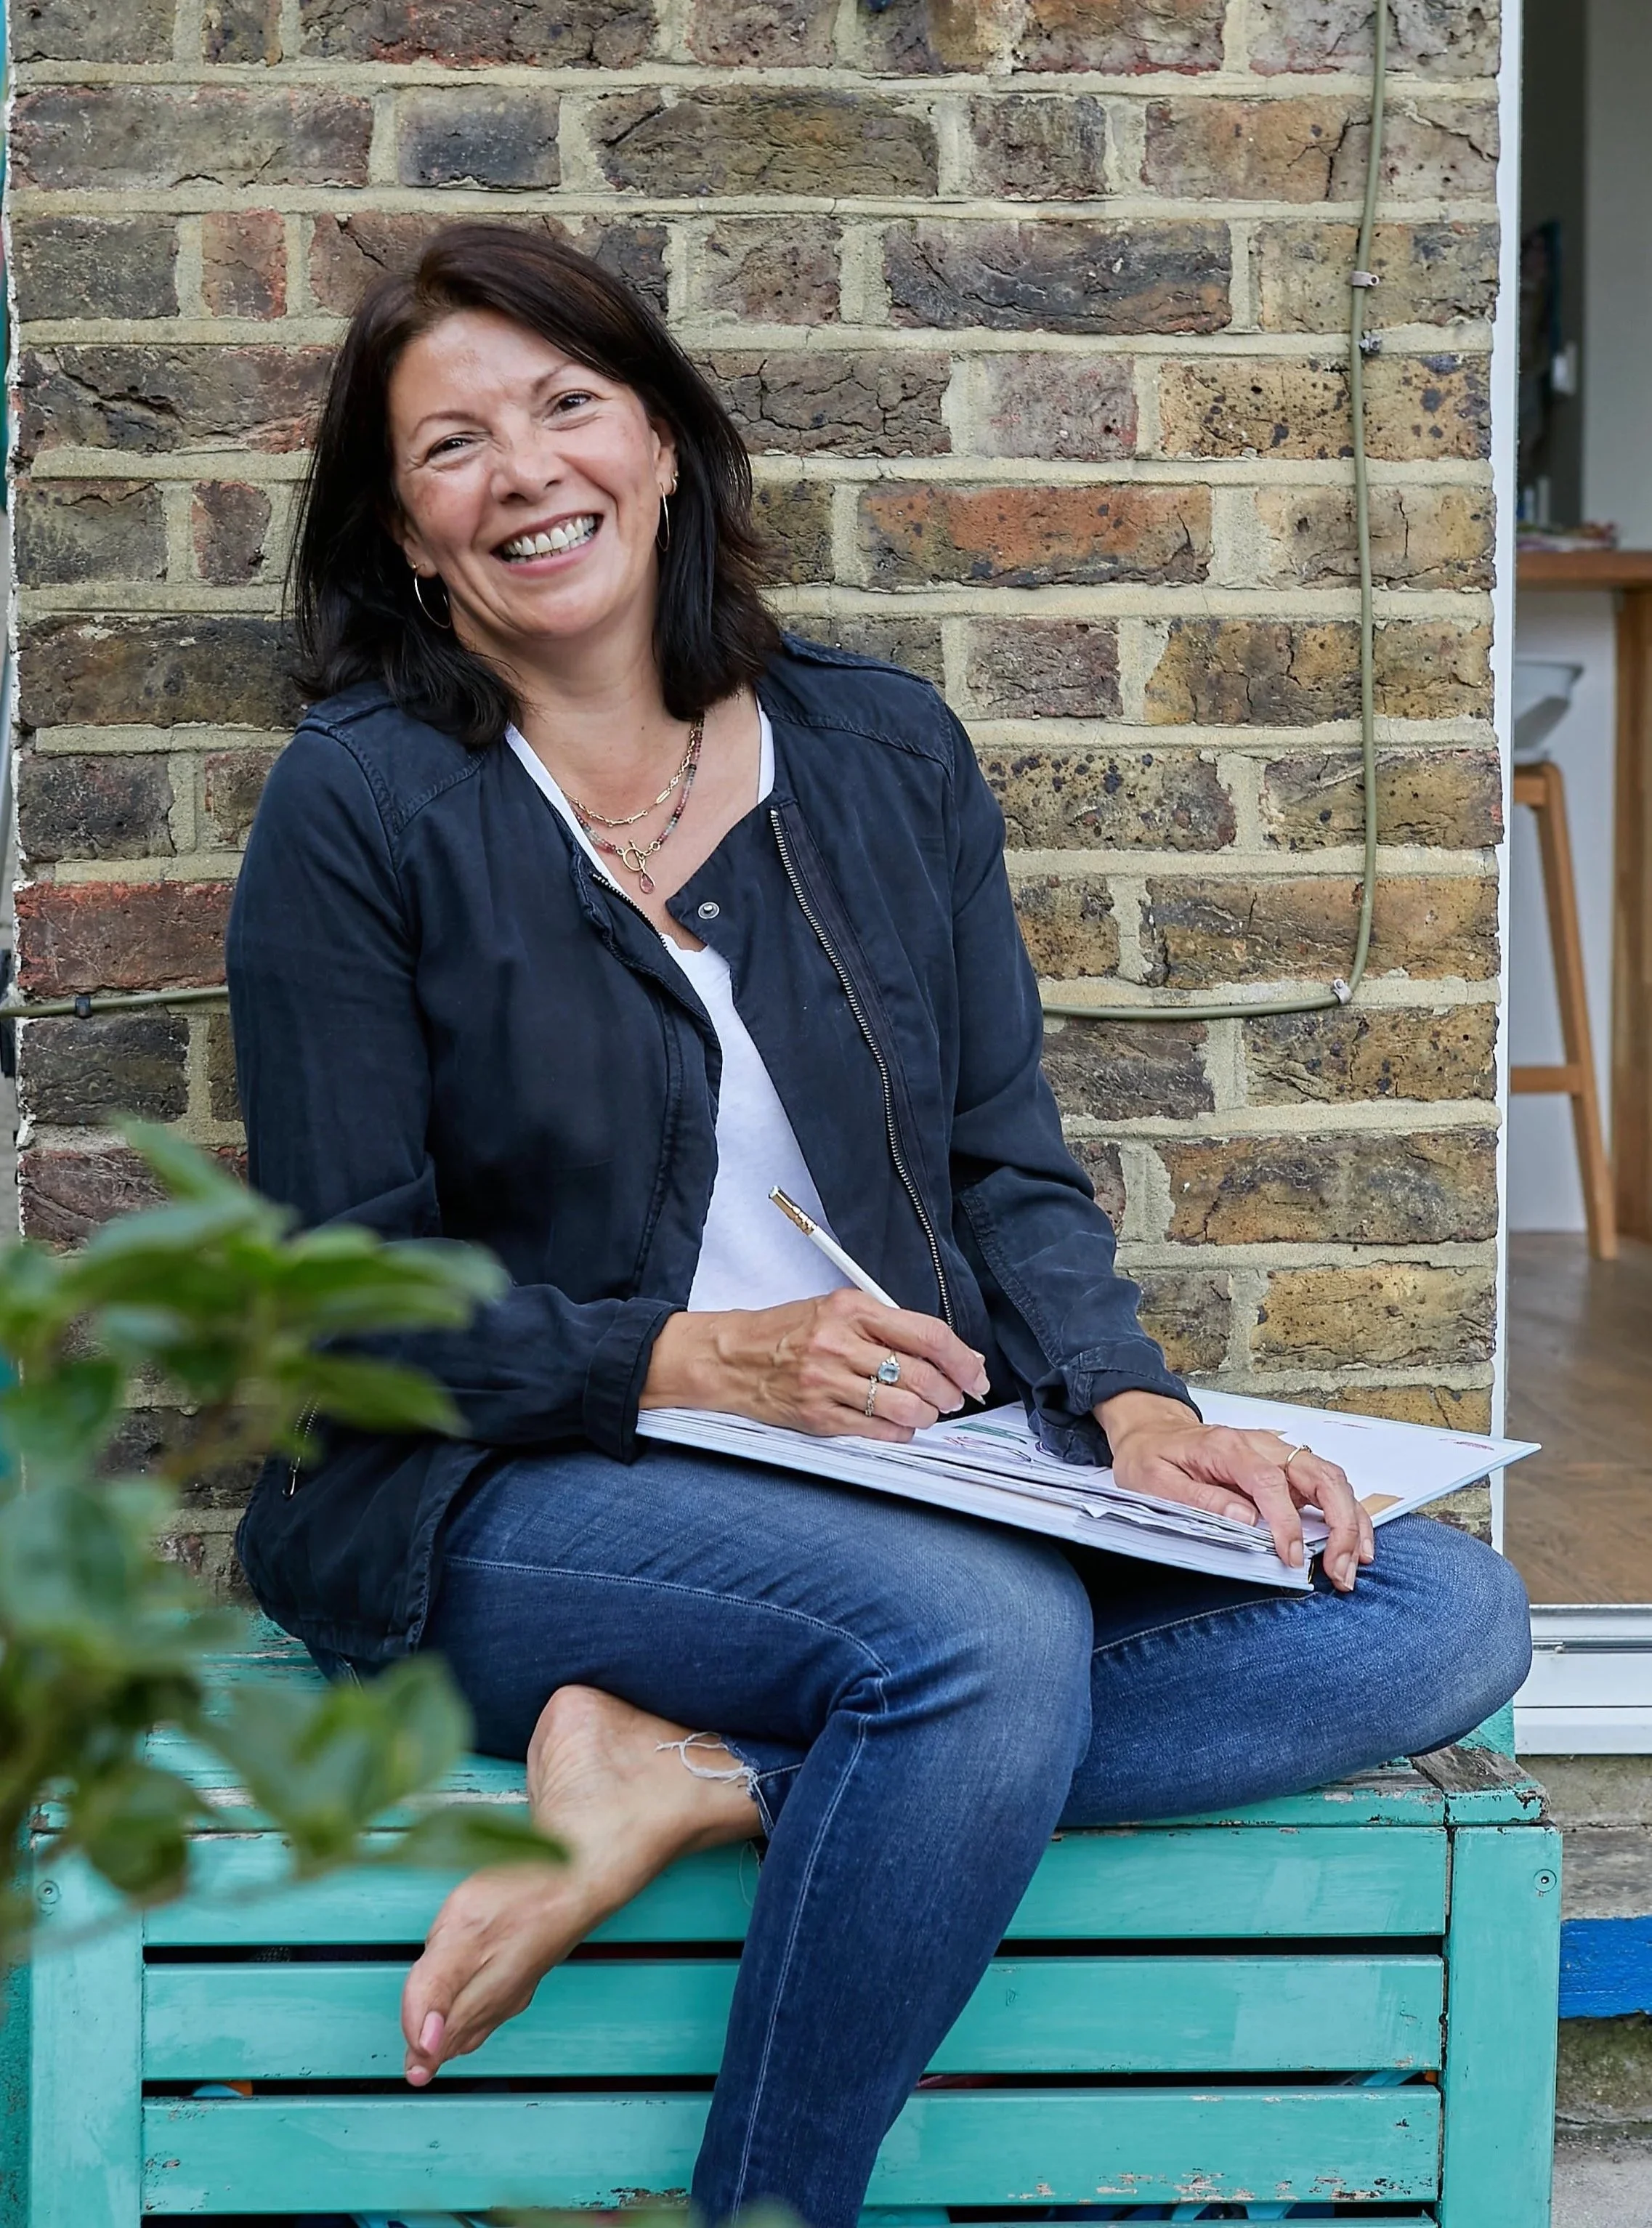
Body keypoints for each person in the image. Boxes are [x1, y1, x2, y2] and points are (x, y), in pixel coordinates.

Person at [227, 222, 1531, 2228]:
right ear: (409, 536)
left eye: (569, 405)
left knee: (1438, 1613)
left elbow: (1006, 1161)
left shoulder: (874, 750)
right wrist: (680, 1357)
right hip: (491, 1500)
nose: (526, 472)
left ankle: (692, 1782)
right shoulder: (369, 807)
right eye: (453, 447)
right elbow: (336, 1303)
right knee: (972, 1640)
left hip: (901, 1480)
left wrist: (1140, 1414)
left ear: (661, 442)